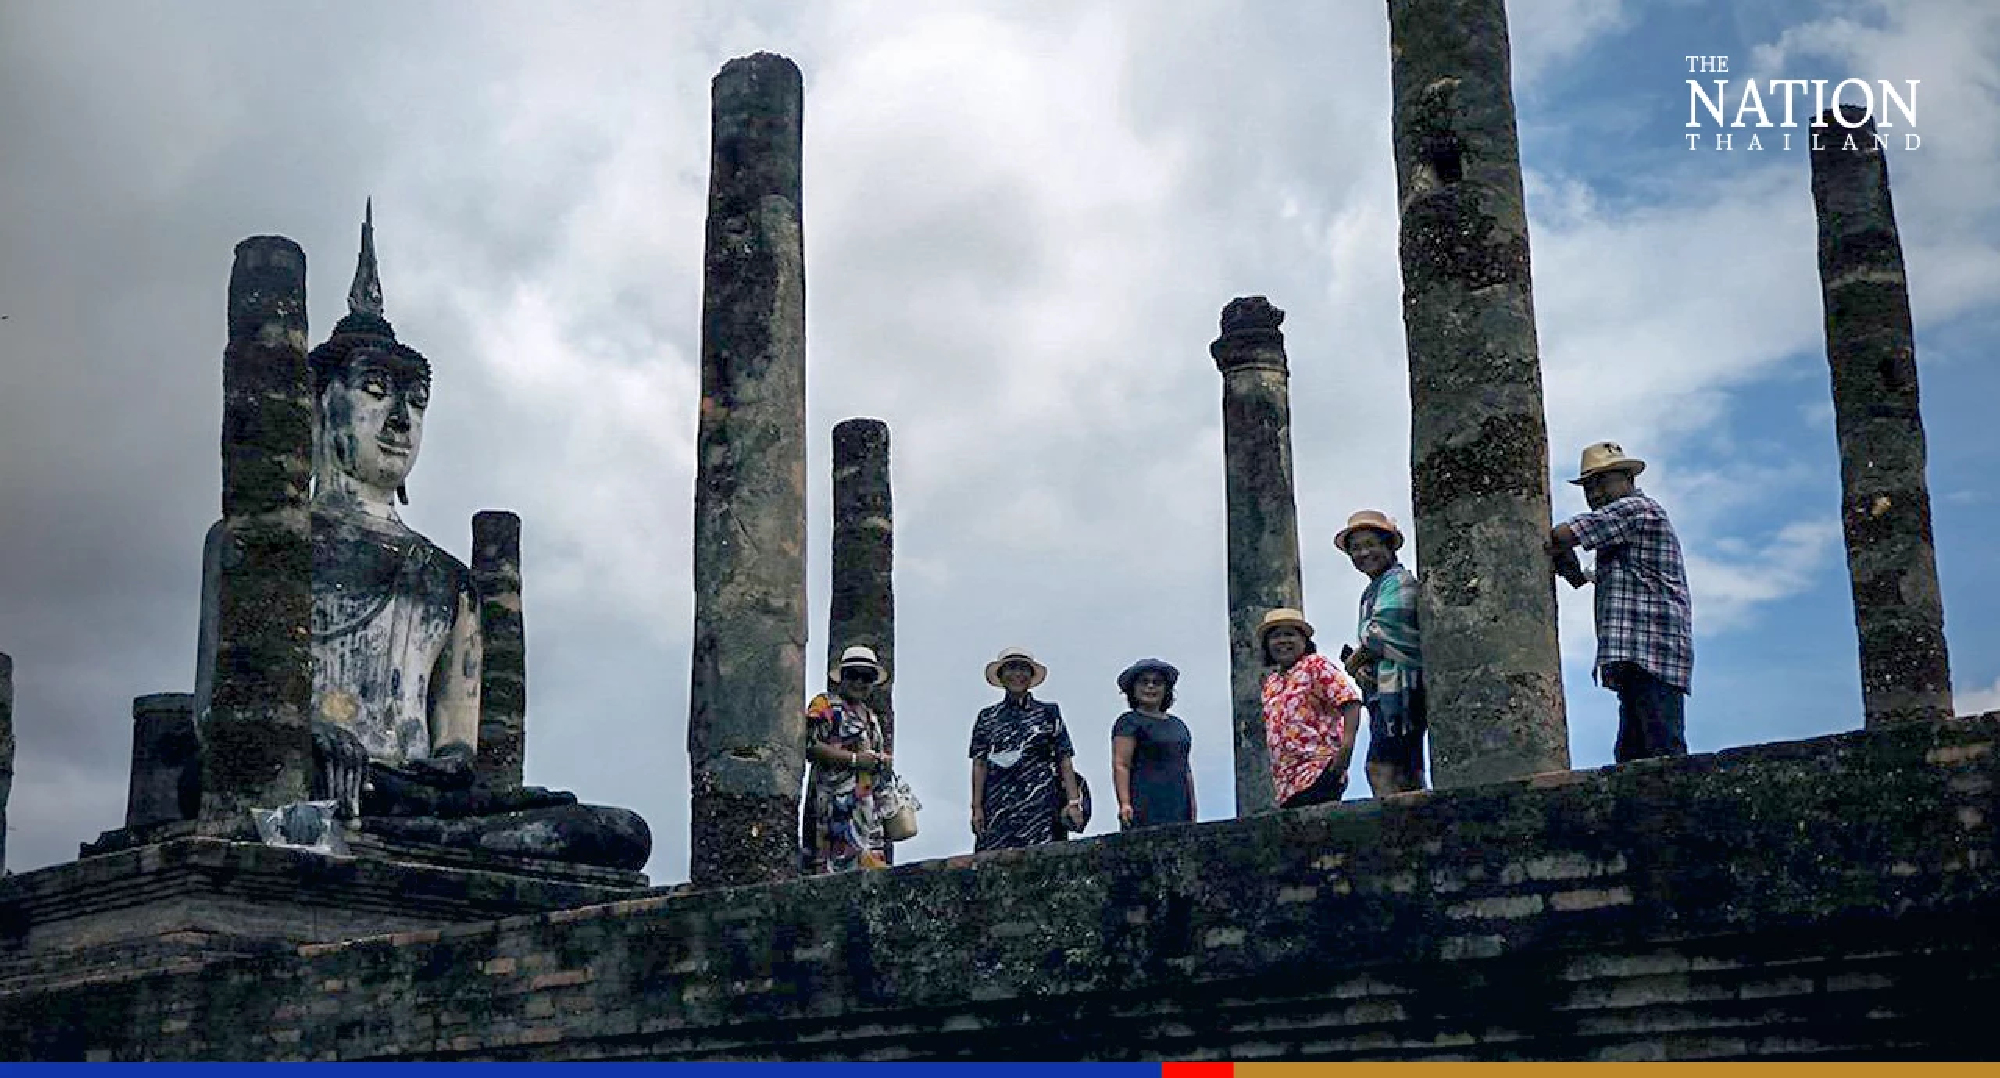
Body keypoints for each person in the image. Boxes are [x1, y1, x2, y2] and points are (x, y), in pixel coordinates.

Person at [293, 208, 649, 870]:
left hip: (411, 797)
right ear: (320, 404)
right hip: (318, 782)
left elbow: (454, 744)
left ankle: (419, 839)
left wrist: (450, 768)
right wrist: (310, 737)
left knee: (617, 832)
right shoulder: (267, 546)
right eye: (375, 392)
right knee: (303, 790)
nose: (399, 420)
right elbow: (222, 717)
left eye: (417, 403)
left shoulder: (447, 577)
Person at [1547, 441, 1693, 763]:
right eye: (1589, 485)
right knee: (1634, 751)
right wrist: (1570, 565)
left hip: (1652, 648)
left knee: (1660, 747)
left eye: (1602, 481)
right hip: (1640, 651)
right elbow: (1575, 563)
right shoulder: (1620, 528)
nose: (1595, 492)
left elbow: (1562, 535)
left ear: (1628, 479)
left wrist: (1560, 550)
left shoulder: (1635, 510)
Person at [1334, 510, 1427, 797]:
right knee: (1403, 770)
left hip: (1400, 689)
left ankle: (1401, 833)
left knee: (1381, 768)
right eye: (1356, 548)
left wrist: (1355, 660)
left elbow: (1383, 629)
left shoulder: (1397, 581)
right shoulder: (1374, 589)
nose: (1363, 553)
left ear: (1388, 545)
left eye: (1370, 544)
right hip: (1383, 691)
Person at [970, 647, 1084, 850]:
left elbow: (1064, 758)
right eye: (1011, 669)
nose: (1017, 675)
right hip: (997, 803)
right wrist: (977, 807)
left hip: (1040, 802)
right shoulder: (986, 717)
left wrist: (1073, 802)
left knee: (1044, 860)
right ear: (1001, 676)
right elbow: (979, 764)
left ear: (1031, 676)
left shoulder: (1048, 712)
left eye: (1023, 670)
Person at [1258, 608, 1362, 809]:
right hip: (1287, 783)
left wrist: (1346, 749)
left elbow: (1349, 701)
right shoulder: (1271, 683)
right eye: (1276, 636)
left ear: (1304, 640)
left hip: (1319, 769)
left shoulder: (1315, 665)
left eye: (1289, 635)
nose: (1282, 642)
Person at [802, 645, 893, 873]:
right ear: (841, 677)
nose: (859, 682)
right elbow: (808, 744)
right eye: (853, 675)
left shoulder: (870, 717)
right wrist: (853, 759)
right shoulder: (824, 705)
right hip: (832, 803)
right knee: (830, 866)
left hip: (866, 808)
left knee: (868, 867)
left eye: (867, 677)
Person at [1111, 658, 1195, 830]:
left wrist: (1192, 808)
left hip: (1177, 803)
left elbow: (1186, 769)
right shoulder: (1128, 722)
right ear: (1133, 689)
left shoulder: (1179, 726)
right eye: (1144, 682)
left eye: (1157, 683)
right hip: (1143, 802)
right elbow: (1121, 764)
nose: (1150, 687)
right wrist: (1125, 804)